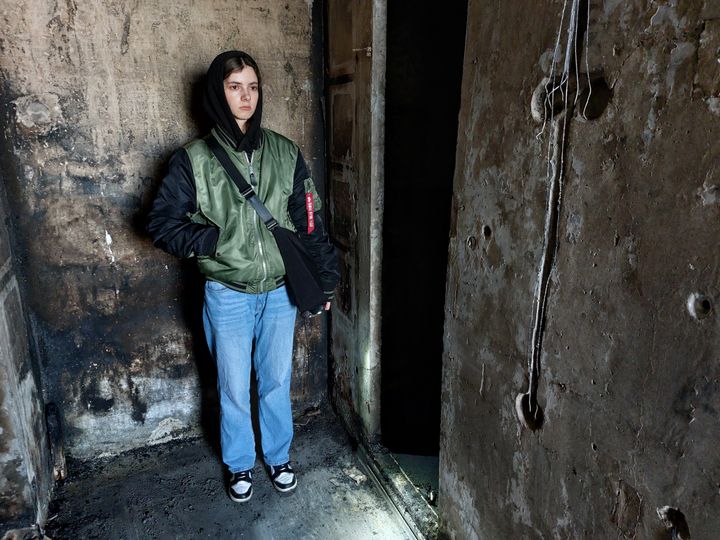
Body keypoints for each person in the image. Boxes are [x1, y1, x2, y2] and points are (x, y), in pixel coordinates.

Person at [147, 50, 339, 503]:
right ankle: (239, 464)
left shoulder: (285, 152)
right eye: (235, 87)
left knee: (275, 380)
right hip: (226, 293)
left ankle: (278, 456)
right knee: (233, 387)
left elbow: (309, 223)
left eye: (252, 87)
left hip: (278, 293)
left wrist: (325, 279)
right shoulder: (192, 160)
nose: (246, 97)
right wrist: (214, 242)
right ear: (219, 93)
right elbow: (160, 225)